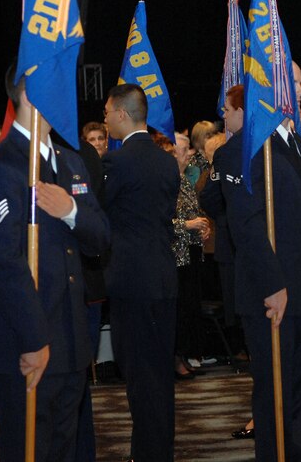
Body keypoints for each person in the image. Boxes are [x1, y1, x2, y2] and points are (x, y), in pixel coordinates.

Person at [203, 62, 301, 460]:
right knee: (274, 392)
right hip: (272, 293)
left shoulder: (294, 141)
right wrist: (272, 285)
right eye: (297, 84)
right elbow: (246, 225)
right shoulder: (240, 149)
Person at [0, 62, 110, 461]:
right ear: (28, 95)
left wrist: (71, 210)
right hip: (25, 342)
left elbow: (100, 237)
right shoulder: (0, 168)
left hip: (70, 339)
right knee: (29, 449)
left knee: (64, 448)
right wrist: (34, 339)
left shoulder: (71, 162)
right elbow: (3, 264)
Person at [102, 84, 180, 462]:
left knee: (138, 374)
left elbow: (101, 218)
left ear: (121, 114)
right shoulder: (167, 160)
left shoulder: (117, 163)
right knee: (160, 372)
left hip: (132, 279)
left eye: (106, 112)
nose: (104, 119)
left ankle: (147, 453)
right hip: (163, 274)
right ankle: (157, 449)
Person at [172, 132, 210, 379]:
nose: (191, 154)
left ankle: (184, 354)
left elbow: (194, 212)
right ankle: (175, 358)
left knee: (188, 308)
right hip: (174, 255)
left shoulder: (185, 181)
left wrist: (203, 227)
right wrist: (187, 225)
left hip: (191, 253)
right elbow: (159, 221)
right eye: (185, 150)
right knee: (177, 310)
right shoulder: (164, 181)